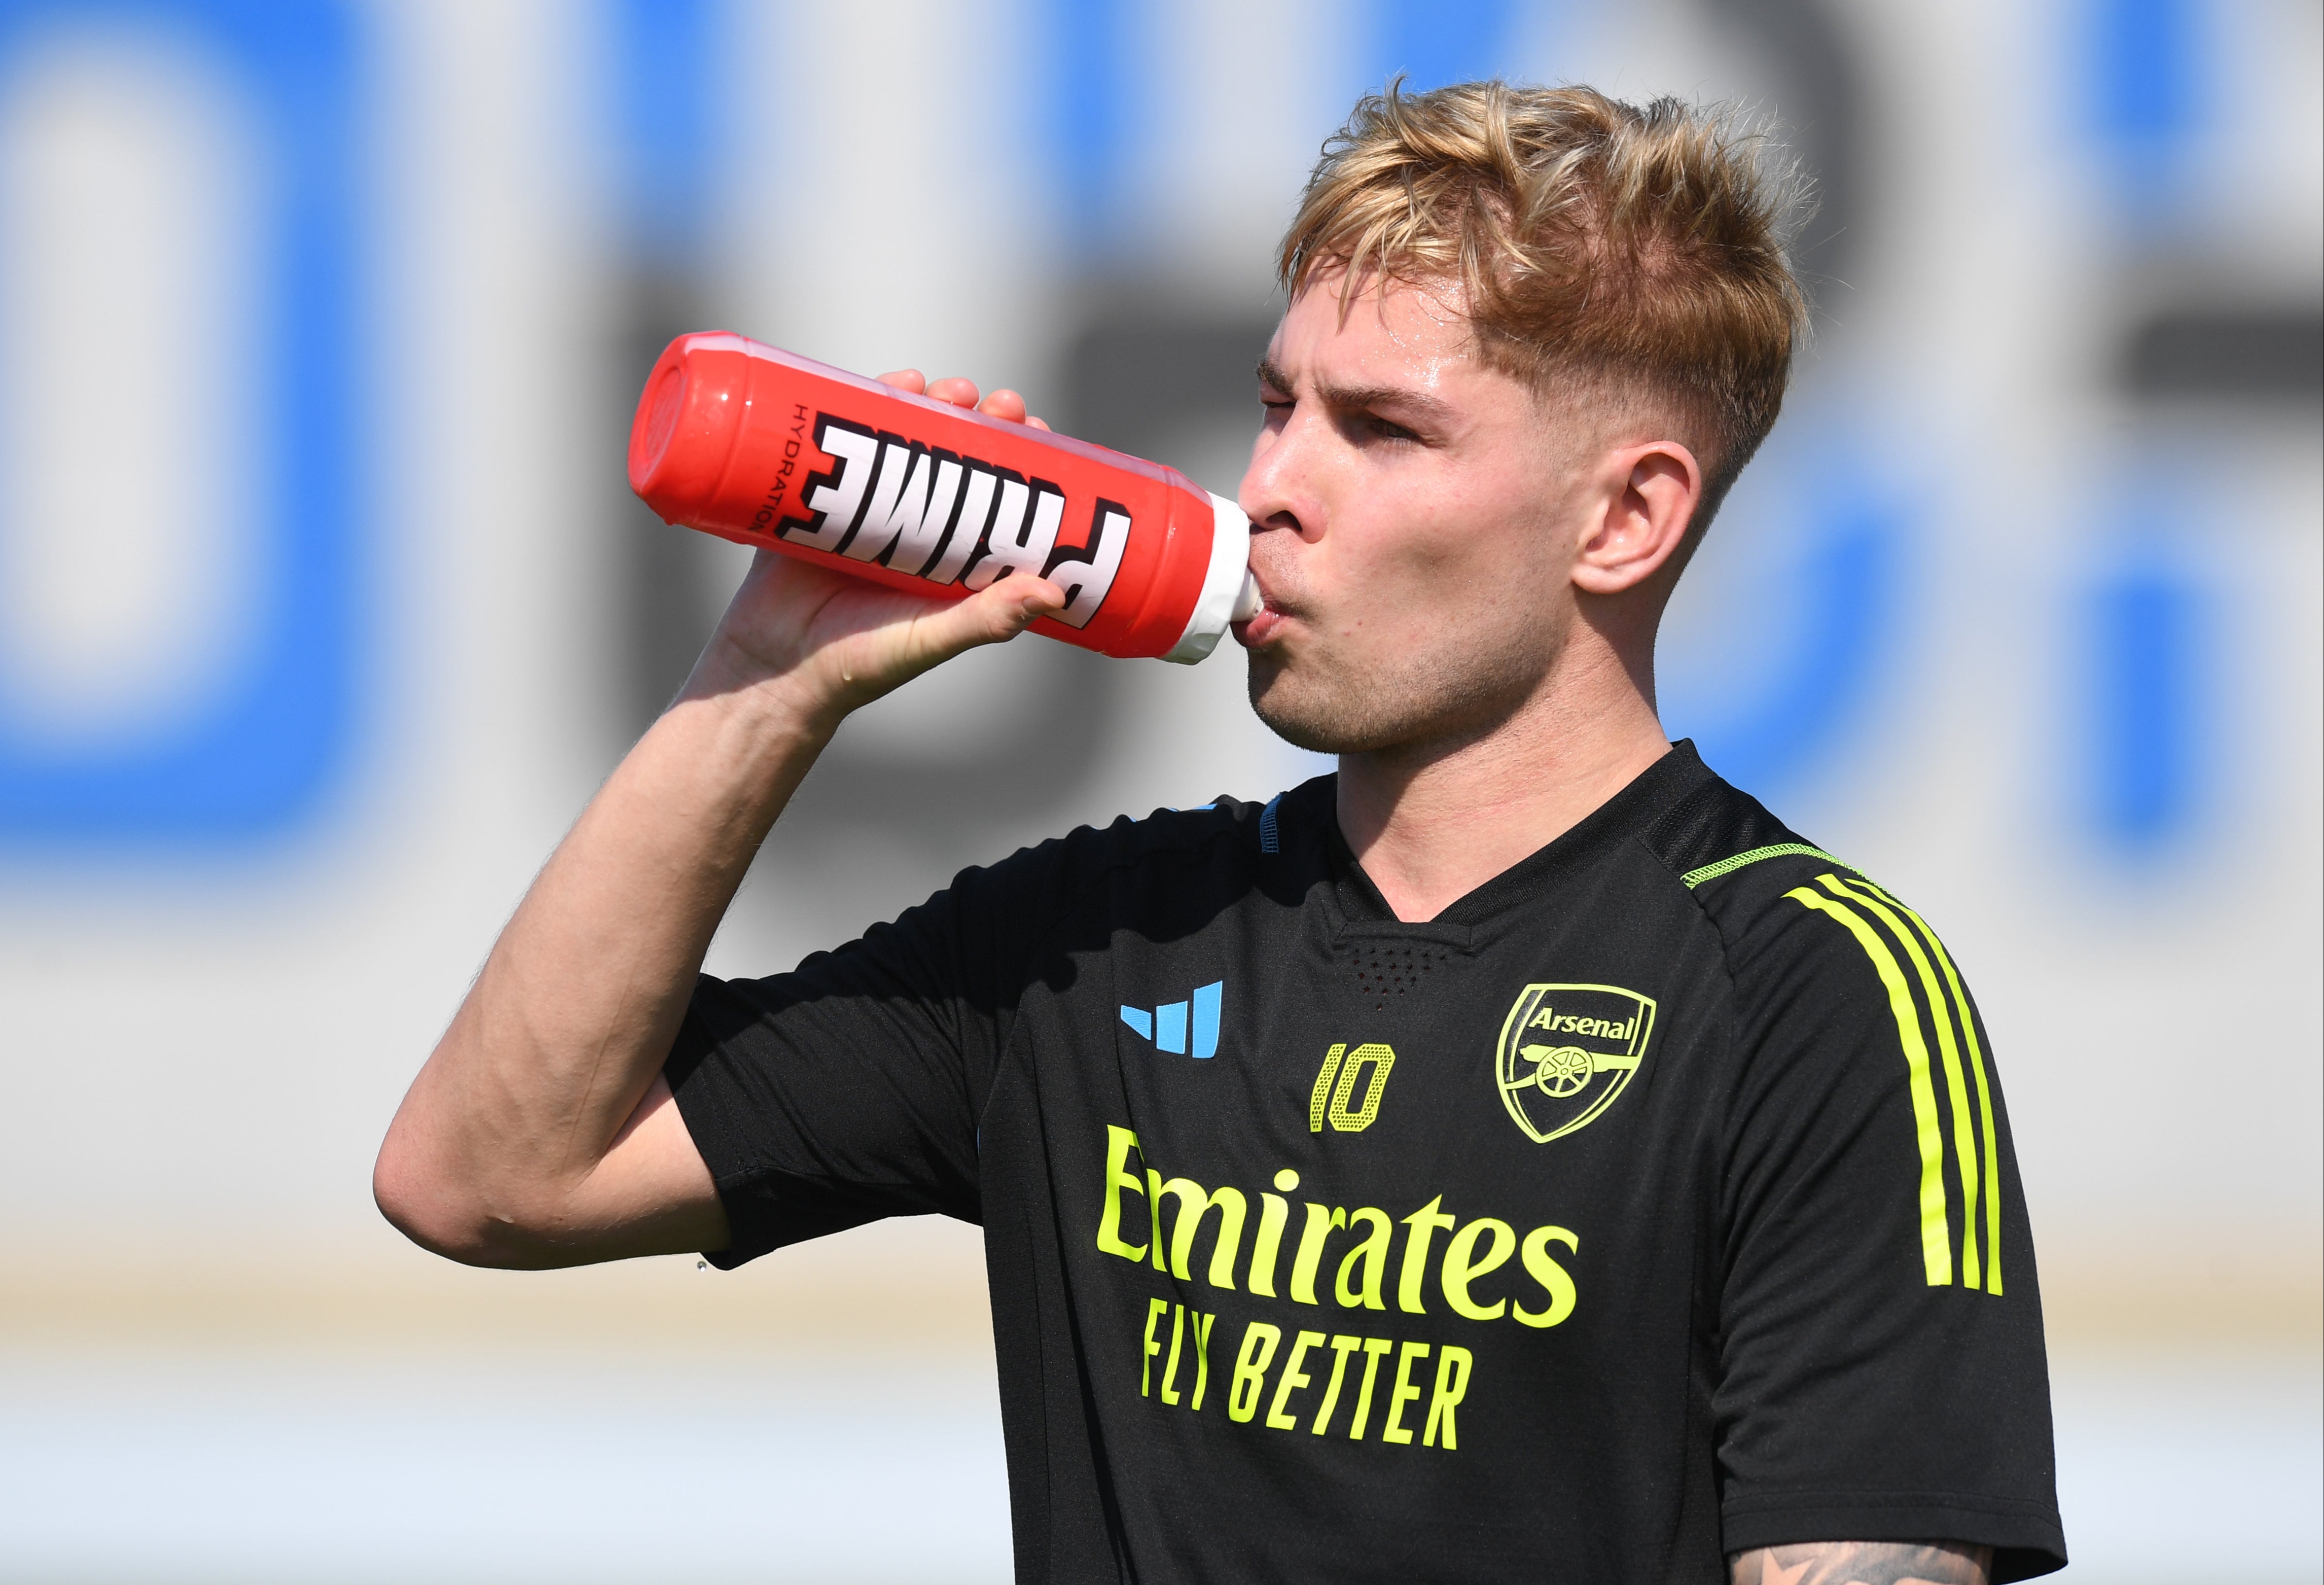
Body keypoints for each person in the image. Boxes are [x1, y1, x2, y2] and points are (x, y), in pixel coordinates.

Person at [375, 81, 2064, 1583]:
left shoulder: (1814, 996)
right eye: (1278, 405)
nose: (1269, 487)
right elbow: (489, 1178)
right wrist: (765, 676)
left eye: (1382, 429)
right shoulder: (1097, 939)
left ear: (1626, 516)